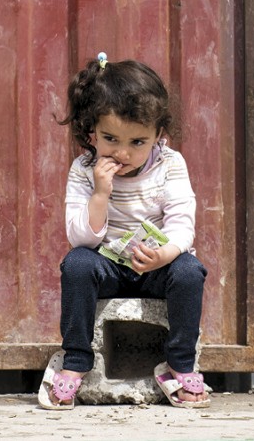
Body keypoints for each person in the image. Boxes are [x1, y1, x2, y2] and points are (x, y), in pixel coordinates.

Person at [37, 52, 209, 410]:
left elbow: (182, 222)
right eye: (111, 138)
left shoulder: (169, 164)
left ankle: (179, 364)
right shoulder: (84, 170)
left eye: (137, 142)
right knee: (77, 264)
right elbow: (81, 239)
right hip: (109, 267)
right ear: (91, 132)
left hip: (156, 265)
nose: (124, 153)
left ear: (158, 135)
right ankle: (75, 362)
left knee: (190, 271)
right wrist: (101, 193)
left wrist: (165, 254)